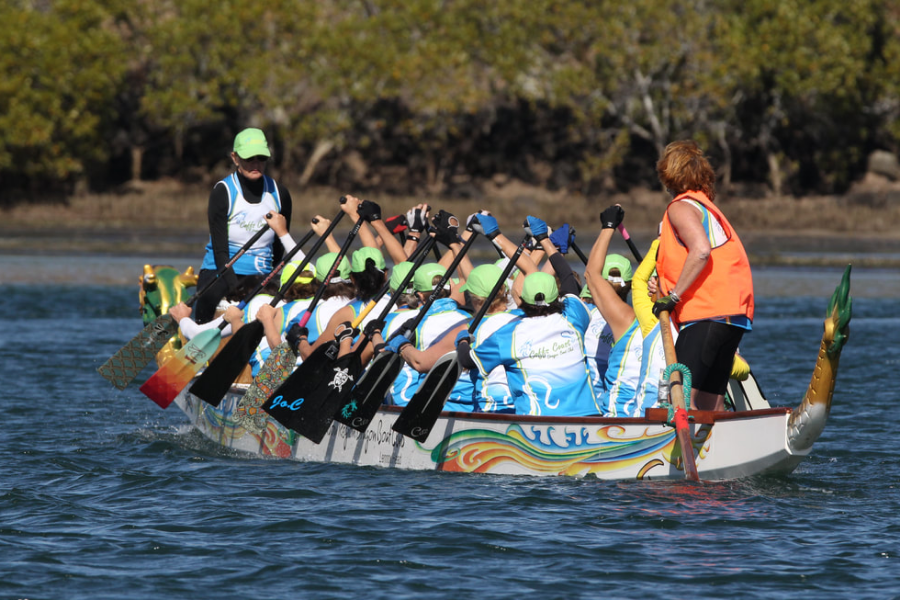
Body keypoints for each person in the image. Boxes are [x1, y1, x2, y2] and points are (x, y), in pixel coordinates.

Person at [653, 140, 754, 411]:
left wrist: (672, 296)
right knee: (711, 402)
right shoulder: (706, 207)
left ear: (668, 173)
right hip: (733, 316)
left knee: (681, 400)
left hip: (706, 314)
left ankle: (675, 450)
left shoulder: (680, 207)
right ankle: (719, 448)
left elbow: (700, 251)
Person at [193, 127, 295, 324]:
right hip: (220, 270)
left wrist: (269, 281)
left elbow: (279, 248)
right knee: (210, 296)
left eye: (261, 158)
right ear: (235, 158)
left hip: (262, 273)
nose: (256, 164)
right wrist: (237, 290)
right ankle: (199, 335)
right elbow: (221, 251)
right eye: (249, 159)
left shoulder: (280, 194)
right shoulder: (223, 192)